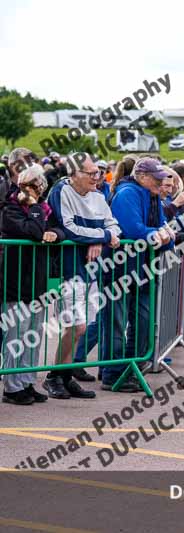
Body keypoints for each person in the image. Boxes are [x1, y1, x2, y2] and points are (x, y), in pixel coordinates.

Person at [48, 152, 122, 398]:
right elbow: (68, 228)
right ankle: (53, 376)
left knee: (82, 325)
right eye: (90, 173)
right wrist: (100, 237)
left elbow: (114, 227)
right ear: (73, 174)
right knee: (75, 326)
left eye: (97, 172)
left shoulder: (99, 196)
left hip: (91, 270)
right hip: (67, 269)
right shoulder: (61, 192)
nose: (96, 177)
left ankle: (65, 376)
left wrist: (100, 238)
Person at [102, 157, 174, 392]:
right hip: (120, 269)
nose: (161, 183)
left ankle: (129, 369)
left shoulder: (152, 197)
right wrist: (160, 235)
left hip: (143, 270)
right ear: (142, 176)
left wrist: (164, 237)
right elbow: (132, 230)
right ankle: (113, 373)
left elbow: (165, 230)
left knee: (143, 321)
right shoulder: (127, 194)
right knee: (116, 323)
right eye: (156, 178)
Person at [1, 165, 65, 405]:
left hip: (37, 281)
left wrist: (56, 235)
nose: (35, 190)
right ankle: (12, 386)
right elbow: (35, 231)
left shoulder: (44, 208)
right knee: (16, 335)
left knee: (33, 335)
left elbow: (60, 228)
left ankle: (27, 381)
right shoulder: (10, 208)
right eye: (30, 186)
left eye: (37, 186)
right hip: (15, 281)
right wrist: (36, 207)